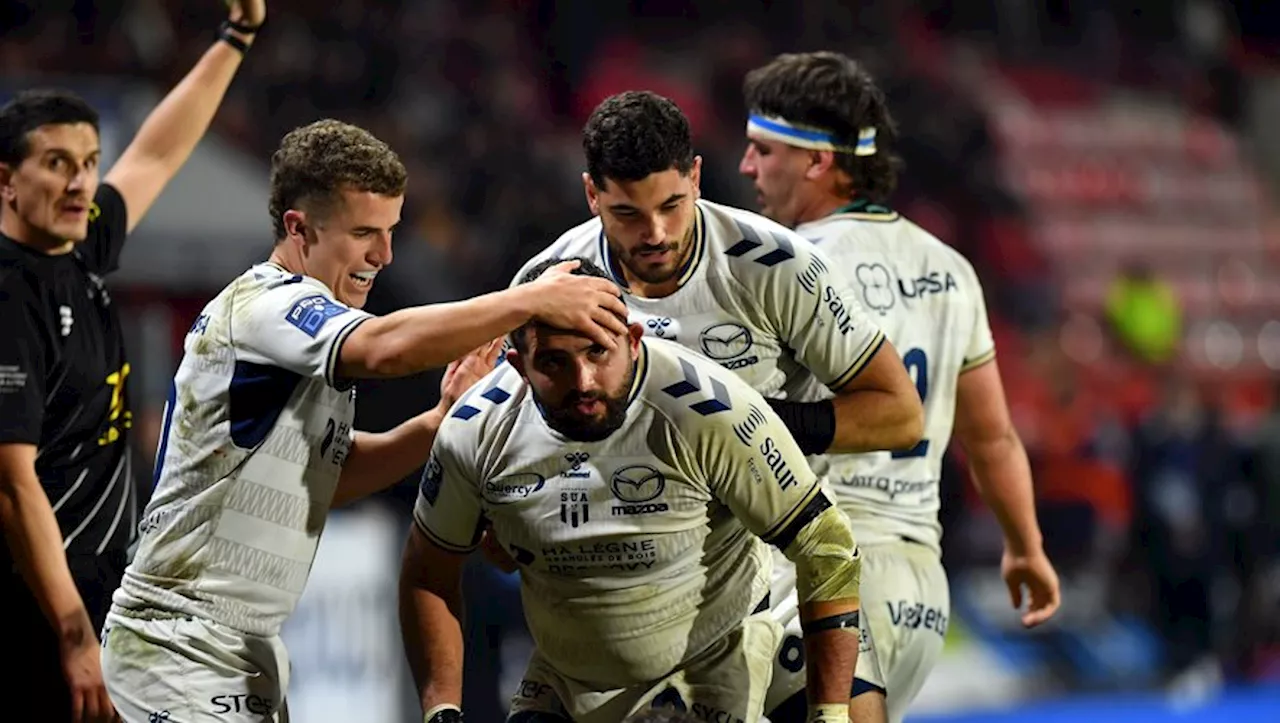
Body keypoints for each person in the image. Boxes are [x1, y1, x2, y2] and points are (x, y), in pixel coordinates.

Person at [98, 120, 629, 722]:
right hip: (180, 642)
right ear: (299, 228)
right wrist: (530, 301)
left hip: (240, 648)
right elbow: (384, 350)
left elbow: (328, 473)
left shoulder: (296, 336)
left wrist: (435, 423)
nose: (384, 254)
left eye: (390, 230)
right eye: (363, 233)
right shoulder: (268, 307)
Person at [507, 89, 923, 722]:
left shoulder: (774, 265)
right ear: (592, 194)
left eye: (673, 204)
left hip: (781, 581)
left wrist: (757, 427)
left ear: (696, 175)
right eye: (626, 214)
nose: (655, 233)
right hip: (634, 599)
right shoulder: (543, 287)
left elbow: (900, 412)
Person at [739, 51, 1061, 723]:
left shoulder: (783, 265)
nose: (747, 167)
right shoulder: (950, 269)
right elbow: (992, 436)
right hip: (919, 587)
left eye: (762, 149)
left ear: (817, 161)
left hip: (819, 575)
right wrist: (1025, 547)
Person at [401, 257, 865, 723]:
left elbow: (826, 546)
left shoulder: (710, 408)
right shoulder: (474, 430)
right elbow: (427, 572)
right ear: (520, 367)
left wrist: (831, 715)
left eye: (598, 352)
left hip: (704, 670)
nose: (582, 382)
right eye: (554, 363)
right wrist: (441, 710)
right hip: (567, 681)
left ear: (634, 341)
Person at [0, 2, 269, 721]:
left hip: (96, 591)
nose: (80, 182)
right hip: (38, 607)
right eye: (55, 164)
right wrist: (73, 633)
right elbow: (11, 482)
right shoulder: (10, 293)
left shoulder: (77, 246)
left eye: (88, 163)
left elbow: (156, 152)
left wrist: (234, 40)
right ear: (6, 180)